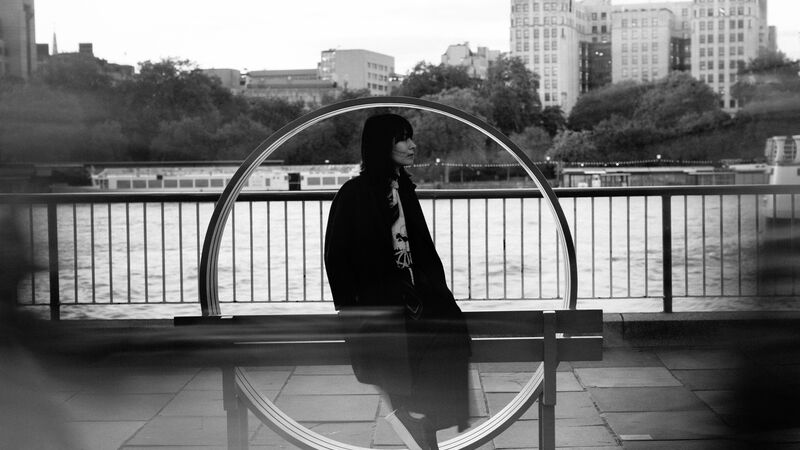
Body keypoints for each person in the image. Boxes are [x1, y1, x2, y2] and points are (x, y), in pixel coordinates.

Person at [324, 114, 471, 450]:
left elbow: (422, 254)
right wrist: (352, 312)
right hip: (383, 311)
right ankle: (419, 423)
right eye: (402, 139)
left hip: (406, 307)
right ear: (382, 146)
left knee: (439, 336)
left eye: (410, 138)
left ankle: (420, 423)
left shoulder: (402, 189)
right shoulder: (355, 195)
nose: (412, 145)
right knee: (419, 348)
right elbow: (338, 259)